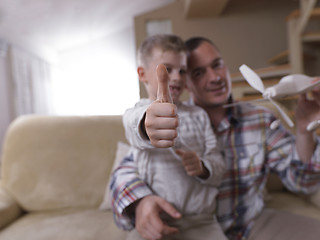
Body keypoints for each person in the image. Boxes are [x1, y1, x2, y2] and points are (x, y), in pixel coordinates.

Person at [110, 36, 320, 240]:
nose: (214, 77)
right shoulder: (167, 119)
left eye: (217, 65)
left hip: (250, 223)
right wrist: (140, 202)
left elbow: (302, 182)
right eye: (199, 72)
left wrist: (304, 132)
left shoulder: (260, 119)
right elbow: (128, 165)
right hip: (188, 225)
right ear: (188, 85)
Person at [121, 34, 227, 240]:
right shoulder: (139, 112)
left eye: (183, 70)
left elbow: (218, 164)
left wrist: (203, 167)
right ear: (142, 74)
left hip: (202, 222)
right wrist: (147, 125)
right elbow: (132, 125)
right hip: (155, 219)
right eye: (168, 69)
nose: (177, 77)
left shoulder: (199, 115)